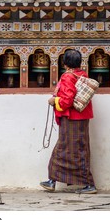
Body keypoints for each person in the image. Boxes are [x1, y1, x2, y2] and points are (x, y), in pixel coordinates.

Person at [40, 49, 97, 194]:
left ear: (64, 63)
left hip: (71, 119)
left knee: (64, 149)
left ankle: (88, 184)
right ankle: (53, 181)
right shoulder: (82, 75)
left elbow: (66, 100)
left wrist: (54, 100)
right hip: (81, 119)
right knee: (79, 149)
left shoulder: (67, 77)